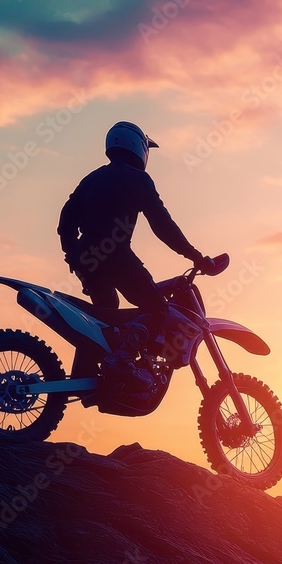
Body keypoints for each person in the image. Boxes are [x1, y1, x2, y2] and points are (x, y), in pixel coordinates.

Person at [57, 121, 214, 384]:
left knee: (104, 315)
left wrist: (74, 257)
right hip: (116, 256)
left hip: (88, 259)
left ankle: (85, 374)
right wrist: (195, 256)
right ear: (138, 147)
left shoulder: (92, 178)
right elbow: (163, 225)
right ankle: (124, 359)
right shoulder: (138, 179)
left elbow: (66, 220)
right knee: (157, 309)